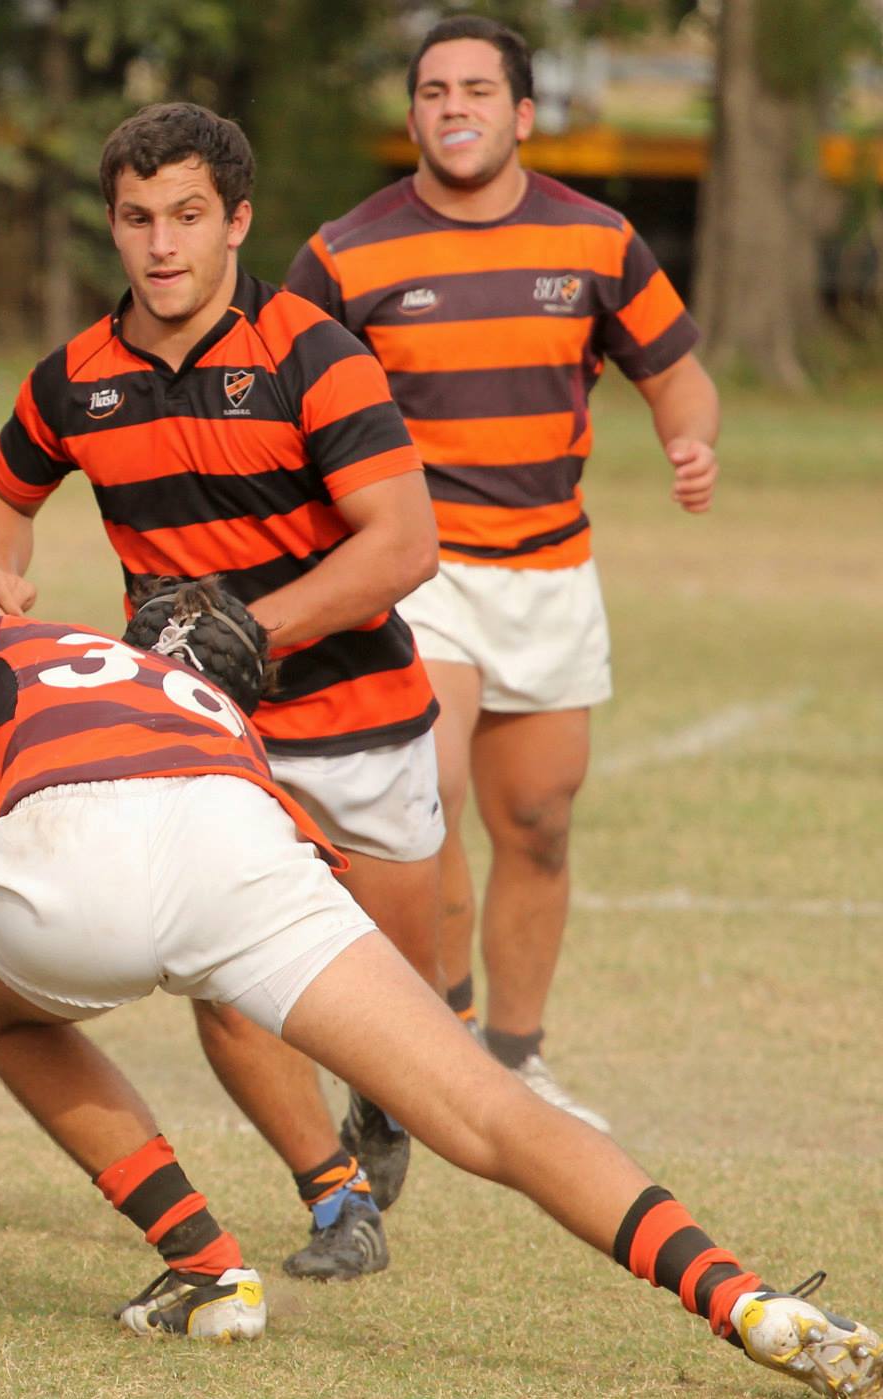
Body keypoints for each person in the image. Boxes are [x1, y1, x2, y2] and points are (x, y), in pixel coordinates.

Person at [0, 576, 880, 1399]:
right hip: (240, 847)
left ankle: (206, 1265)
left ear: (135, 633)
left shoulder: (20, 645)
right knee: (488, 1112)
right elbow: (266, 859)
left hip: (67, 871)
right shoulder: (230, 728)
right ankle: (746, 1299)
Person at [0, 101, 442, 1276]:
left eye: (185, 216)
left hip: (357, 717)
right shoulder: (74, 379)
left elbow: (402, 543)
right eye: (136, 219)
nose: (161, 244)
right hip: (195, 732)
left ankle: (384, 1101)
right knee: (227, 973)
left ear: (235, 222)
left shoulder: (310, 355)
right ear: (111, 226)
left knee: (397, 995)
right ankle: (333, 1199)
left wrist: (248, 631)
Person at [285, 15, 718, 1133]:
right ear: (413, 115)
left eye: (476, 90)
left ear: (521, 114)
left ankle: (515, 1056)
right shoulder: (345, 253)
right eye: (434, 91)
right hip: (414, 570)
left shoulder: (598, 240)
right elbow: (284, 396)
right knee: (426, 796)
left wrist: (690, 438)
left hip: (551, 572)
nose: (454, 108)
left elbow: (675, 371)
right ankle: (436, 1035)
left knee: (537, 821)